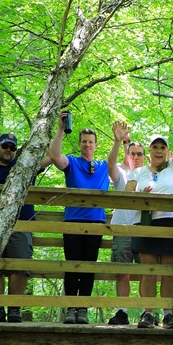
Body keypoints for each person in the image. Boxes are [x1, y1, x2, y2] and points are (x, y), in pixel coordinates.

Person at [126, 103, 173, 329]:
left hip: (171, 221)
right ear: (150, 151)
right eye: (155, 147)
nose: (159, 151)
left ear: (167, 151)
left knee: (169, 270)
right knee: (149, 270)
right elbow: (127, 194)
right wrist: (140, 196)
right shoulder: (139, 171)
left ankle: (168, 312)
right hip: (145, 221)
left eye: (163, 147)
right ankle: (147, 312)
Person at [48, 114, 110, 325]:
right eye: (84, 141)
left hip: (96, 222)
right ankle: (70, 308)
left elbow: (118, 165)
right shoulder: (72, 162)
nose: (87, 144)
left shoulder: (103, 166)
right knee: (73, 265)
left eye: (90, 142)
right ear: (80, 143)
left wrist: (119, 141)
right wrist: (59, 129)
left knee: (89, 266)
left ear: (96, 145)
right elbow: (55, 155)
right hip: (73, 220)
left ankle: (82, 308)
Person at [0, 133, 41, 323]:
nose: (8, 150)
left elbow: (52, 156)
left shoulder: (25, 166)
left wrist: (59, 129)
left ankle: (14, 307)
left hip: (22, 223)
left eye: (12, 147)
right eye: (5, 146)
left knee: (21, 266)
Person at [107, 122, 146, 325]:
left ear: (144, 157)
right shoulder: (121, 174)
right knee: (122, 272)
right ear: (127, 154)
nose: (136, 157)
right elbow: (110, 165)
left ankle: (145, 312)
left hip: (144, 231)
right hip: (122, 229)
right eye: (133, 153)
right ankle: (121, 311)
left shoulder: (150, 175)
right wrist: (117, 141)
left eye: (140, 154)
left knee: (144, 274)